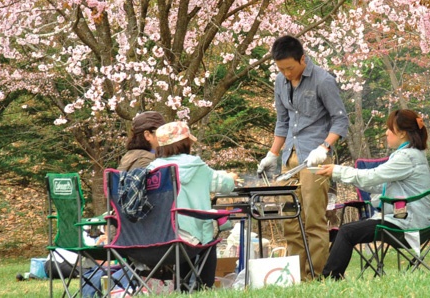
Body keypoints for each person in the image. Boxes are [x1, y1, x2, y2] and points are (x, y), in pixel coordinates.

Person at [256, 35, 349, 278]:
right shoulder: (280, 81)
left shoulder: (323, 81)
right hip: (289, 159)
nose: (286, 73)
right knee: (290, 219)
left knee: (313, 219)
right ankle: (297, 276)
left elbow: (340, 119)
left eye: (290, 67)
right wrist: (272, 154)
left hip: (315, 159)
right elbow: (282, 120)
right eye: (281, 69)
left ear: (302, 59)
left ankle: (316, 276)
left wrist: (325, 148)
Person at [316, 109, 430, 280]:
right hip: (410, 218)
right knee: (348, 231)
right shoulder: (412, 154)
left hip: (406, 223)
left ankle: (329, 279)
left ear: (401, 133)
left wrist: (339, 171)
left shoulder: (406, 157)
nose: (386, 132)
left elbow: (371, 177)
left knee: (347, 232)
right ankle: (331, 276)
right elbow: (377, 183)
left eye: (389, 129)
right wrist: (340, 174)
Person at [149, 120, 236, 289]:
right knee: (206, 233)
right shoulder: (196, 165)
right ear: (185, 143)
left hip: (160, 237)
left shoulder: (152, 168)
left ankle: (181, 287)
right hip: (192, 239)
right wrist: (230, 177)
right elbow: (224, 185)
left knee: (184, 230)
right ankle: (204, 287)